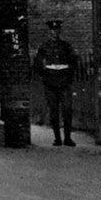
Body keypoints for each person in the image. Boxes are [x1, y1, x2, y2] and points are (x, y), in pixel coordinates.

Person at [34, 19, 79, 147]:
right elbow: (37, 65)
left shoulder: (66, 46)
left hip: (64, 83)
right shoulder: (44, 47)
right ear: (49, 32)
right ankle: (57, 139)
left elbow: (74, 62)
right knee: (54, 111)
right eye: (52, 30)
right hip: (50, 83)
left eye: (57, 30)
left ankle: (68, 138)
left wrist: (66, 69)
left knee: (67, 110)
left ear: (60, 31)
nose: (54, 32)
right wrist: (47, 70)